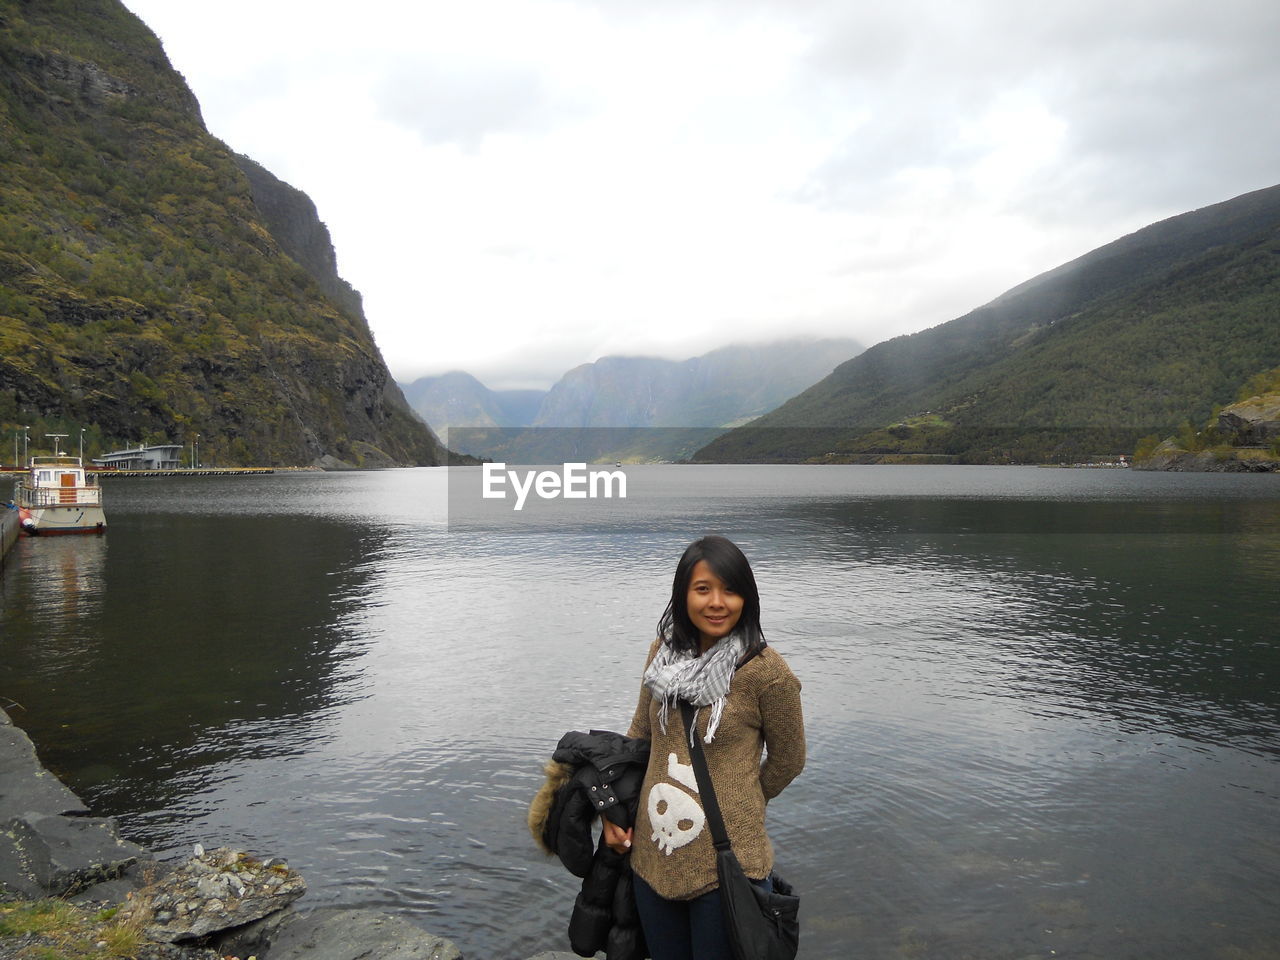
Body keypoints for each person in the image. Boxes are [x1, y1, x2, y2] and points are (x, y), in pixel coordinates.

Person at [604, 534, 805, 960]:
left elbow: (788, 760)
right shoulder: (663, 655)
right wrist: (614, 817)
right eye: (703, 589)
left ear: (746, 598)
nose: (717, 602)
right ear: (683, 595)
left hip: (728, 867)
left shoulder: (767, 673)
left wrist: (743, 798)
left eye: (730, 590)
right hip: (654, 857)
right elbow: (639, 737)